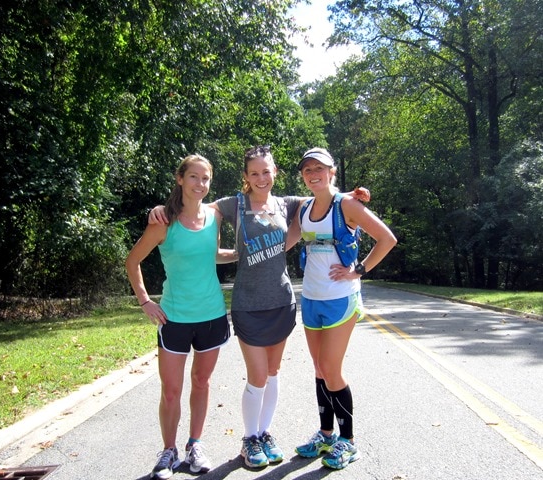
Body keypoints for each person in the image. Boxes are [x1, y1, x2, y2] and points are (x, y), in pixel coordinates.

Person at [148, 146, 370, 469]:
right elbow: (194, 205)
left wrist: (349, 195)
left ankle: (265, 433)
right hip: (248, 305)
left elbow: (322, 195)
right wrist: (161, 209)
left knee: (273, 373)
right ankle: (249, 438)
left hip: (281, 302)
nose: (261, 178)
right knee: (257, 376)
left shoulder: (287, 204)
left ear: (275, 173)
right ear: (246, 176)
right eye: (254, 173)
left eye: (266, 171)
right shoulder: (233, 205)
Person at [126, 154, 236, 480]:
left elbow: (212, 255)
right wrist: (145, 301)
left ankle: (195, 445)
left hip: (212, 315)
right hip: (174, 318)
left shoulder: (214, 216)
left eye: (205, 178)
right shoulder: (163, 221)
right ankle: (169, 451)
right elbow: (132, 262)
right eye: (193, 177)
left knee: (201, 382)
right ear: (180, 178)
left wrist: (241, 254)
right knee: (171, 391)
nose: (200, 184)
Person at [293, 148, 397, 470]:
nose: (313, 174)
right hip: (311, 298)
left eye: (320, 168)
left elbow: (387, 238)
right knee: (319, 368)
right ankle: (325, 435)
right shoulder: (304, 207)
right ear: (302, 175)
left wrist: (359, 270)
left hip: (341, 298)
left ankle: (348, 441)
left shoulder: (347, 205)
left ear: (332, 171)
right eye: (308, 169)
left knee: (331, 368)